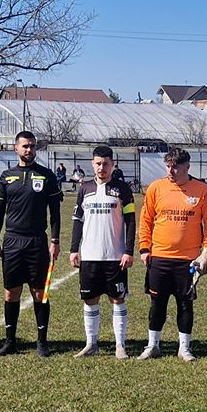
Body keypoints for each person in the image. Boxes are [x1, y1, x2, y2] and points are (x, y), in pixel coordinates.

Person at [135, 146, 207, 360]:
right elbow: (146, 220)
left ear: (187, 166)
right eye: (168, 166)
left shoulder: (202, 190)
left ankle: (184, 348)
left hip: (188, 259)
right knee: (157, 303)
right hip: (159, 256)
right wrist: (144, 248)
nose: (171, 171)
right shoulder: (155, 188)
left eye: (175, 167)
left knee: (185, 303)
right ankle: (153, 345)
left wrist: (205, 253)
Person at [0, 129, 62, 356]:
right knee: (11, 293)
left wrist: (55, 240)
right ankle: (10, 341)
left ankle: (42, 341)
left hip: (37, 241)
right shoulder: (6, 176)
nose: (29, 150)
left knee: (39, 292)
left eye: (32, 146)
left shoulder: (47, 175)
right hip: (12, 241)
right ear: (16, 148)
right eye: (25, 146)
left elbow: (56, 212)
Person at [68, 144, 136, 357]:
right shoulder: (84, 189)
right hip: (89, 256)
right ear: (92, 164)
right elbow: (78, 221)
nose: (101, 168)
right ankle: (91, 343)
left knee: (117, 298)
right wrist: (73, 249)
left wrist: (128, 250)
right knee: (90, 299)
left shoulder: (122, 189)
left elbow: (131, 221)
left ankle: (120, 345)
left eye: (105, 164)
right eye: (98, 163)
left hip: (115, 257)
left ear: (112, 164)